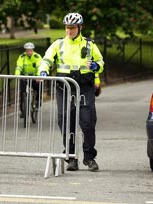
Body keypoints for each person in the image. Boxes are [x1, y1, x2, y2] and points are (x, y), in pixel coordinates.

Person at [38, 12, 105, 172]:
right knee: (65, 120)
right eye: (67, 28)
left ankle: (89, 158)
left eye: (72, 28)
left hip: (84, 86)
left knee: (87, 122)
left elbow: (101, 62)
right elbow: (46, 59)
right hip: (64, 86)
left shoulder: (89, 45)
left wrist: (96, 66)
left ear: (79, 28)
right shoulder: (58, 44)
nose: (69, 31)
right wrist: (43, 71)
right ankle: (70, 157)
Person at [15, 42, 42, 117]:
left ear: (33, 50)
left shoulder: (37, 56)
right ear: (25, 51)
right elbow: (19, 66)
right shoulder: (22, 57)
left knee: (38, 87)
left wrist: (38, 76)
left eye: (30, 50)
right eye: (27, 50)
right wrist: (17, 75)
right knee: (22, 92)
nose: (29, 52)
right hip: (25, 76)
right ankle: (23, 110)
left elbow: (39, 67)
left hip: (35, 77)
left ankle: (37, 100)